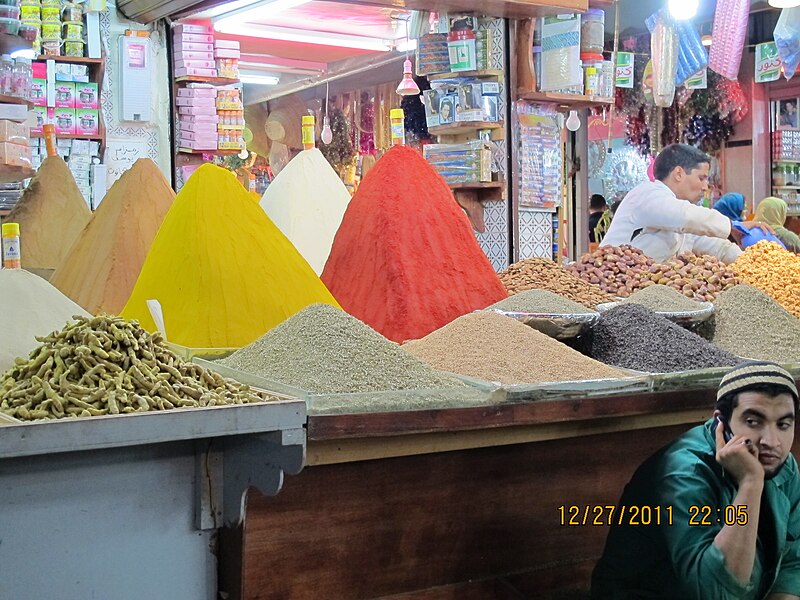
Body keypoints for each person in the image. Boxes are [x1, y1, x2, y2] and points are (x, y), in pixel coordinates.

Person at [592, 361, 800, 600]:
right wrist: (750, 484)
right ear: (722, 422)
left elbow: (793, 563)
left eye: (784, 424)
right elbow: (715, 592)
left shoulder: (779, 463)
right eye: (753, 422)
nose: (772, 441)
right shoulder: (684, 474)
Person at [601, 144, 771, 263]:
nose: (705, 186)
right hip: (611, 286)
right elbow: (685, 216)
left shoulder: (682, 216)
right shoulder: (647, 194)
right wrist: (732, 225)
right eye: (701, 178)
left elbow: (716, 247)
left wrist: (754, 263)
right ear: (679, 173)